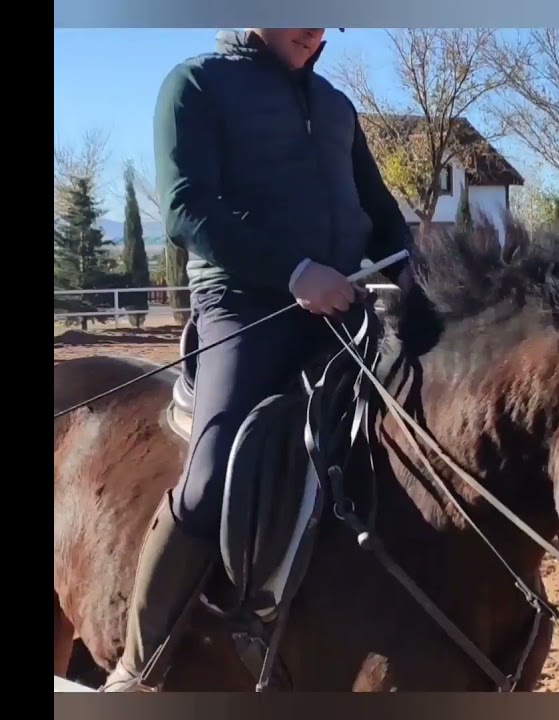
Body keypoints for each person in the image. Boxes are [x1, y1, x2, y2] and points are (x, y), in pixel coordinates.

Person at [101, 28, 414, 692]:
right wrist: (296, 271)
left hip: (344, 304)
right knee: (211, 481)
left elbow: (381, 212)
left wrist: (405, 263)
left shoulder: (335, 106)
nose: (317, 29)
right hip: (246, 306)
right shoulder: (196, 85)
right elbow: (187, 208)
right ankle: (139, 667)